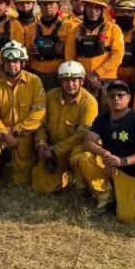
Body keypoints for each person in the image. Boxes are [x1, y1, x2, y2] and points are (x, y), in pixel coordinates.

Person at [74, 80, 135, 224]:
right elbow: (88, 142)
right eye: (112, 96)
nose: (116, 99)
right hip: (111, 167)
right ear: (106, 98)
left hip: (132, 172)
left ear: (129, 98)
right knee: (83, 156)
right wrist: (104, 153)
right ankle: (106, 198)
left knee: (131, 218)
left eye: (120, 95)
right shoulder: (103, 118)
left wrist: (123, 161)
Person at [0, 42, 46, 197]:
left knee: (20, 183)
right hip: (2, 132)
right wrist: (5, 134)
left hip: (25, 133)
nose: (12, 65)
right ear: (3, 63)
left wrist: (16, 130)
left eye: (15, 61)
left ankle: (10, 171)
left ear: (22, 62)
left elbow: (39, 113)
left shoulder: (35, 81)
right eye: (8, 61)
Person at [32, 61, 98, 195]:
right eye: (66, 80)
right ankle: (66, 179)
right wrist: (42, 145)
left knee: (79, 155)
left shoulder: (89, 103)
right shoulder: (50, 96)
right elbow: (42, 124)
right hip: (52, 150)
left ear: (82, 81)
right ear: (60, 81)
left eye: (74, 80)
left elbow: (82, 135)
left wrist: (55, 151)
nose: (70, 85)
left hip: (73, 150)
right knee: (40, 187)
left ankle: (79, 183)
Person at [65, 0, 124, 94]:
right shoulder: (75, 30)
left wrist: (96, 74)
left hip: (106, 82)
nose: (93, 11)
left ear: (102, 10)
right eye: (89, 7)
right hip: (82, 82)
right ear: (85, 8)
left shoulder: (113, 29)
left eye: (97, 8)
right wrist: (84, 76)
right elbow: (69, 56)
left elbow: (117, 56)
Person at [25, 0, 68, 88]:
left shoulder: (68, 27)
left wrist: (65, 50)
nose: (48, 6)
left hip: (60, 76)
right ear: (39, 6)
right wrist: (29, 52)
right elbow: (25, 56)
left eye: (51, 3)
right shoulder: (30, 29)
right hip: (37, 75)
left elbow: (75, 54)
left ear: (58, 5)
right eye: (44, 4)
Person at [112, 0, 135, 87]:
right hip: (111, 79)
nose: (125, 15)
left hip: (133, 81)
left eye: (129, 12)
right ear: (115, 13)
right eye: (122, 11)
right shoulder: (108, 32)